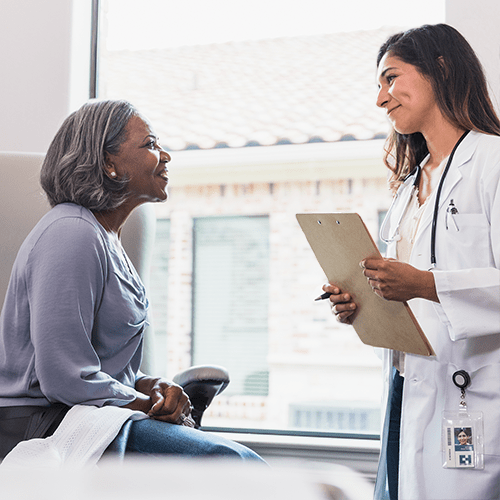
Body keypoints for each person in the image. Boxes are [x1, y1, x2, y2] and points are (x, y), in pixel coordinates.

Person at [0, 99, 264, 463]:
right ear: (109, 163)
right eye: (151, 144)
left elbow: (100, 365)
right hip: (44, 425)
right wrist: (151, 406)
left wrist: (149, 384)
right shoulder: (71, 232)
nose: (165, 155)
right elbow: (64, 377)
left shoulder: (106, 237)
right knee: (234, 464)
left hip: (87, 415)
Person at [322, 24, 500, 500]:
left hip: (474, 389)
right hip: (408, 385)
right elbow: (405, 291)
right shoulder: (409, 186)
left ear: (440, 68)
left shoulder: (493, 161)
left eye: (391, 78)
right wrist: (360, 301)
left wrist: (424, 284)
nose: (381, 99)